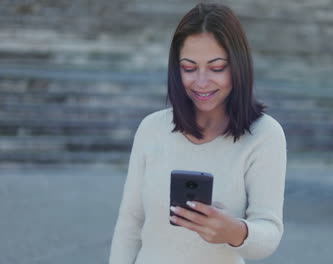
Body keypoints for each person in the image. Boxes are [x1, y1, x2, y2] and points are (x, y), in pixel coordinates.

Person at [109, 3, 287, 264]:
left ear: (238, 66)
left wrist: (235, 232)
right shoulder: (152, 128)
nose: (201, 82)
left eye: (216, 68)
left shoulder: (265, 134)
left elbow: (270, 231)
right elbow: (130, 223)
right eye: (189, 68)